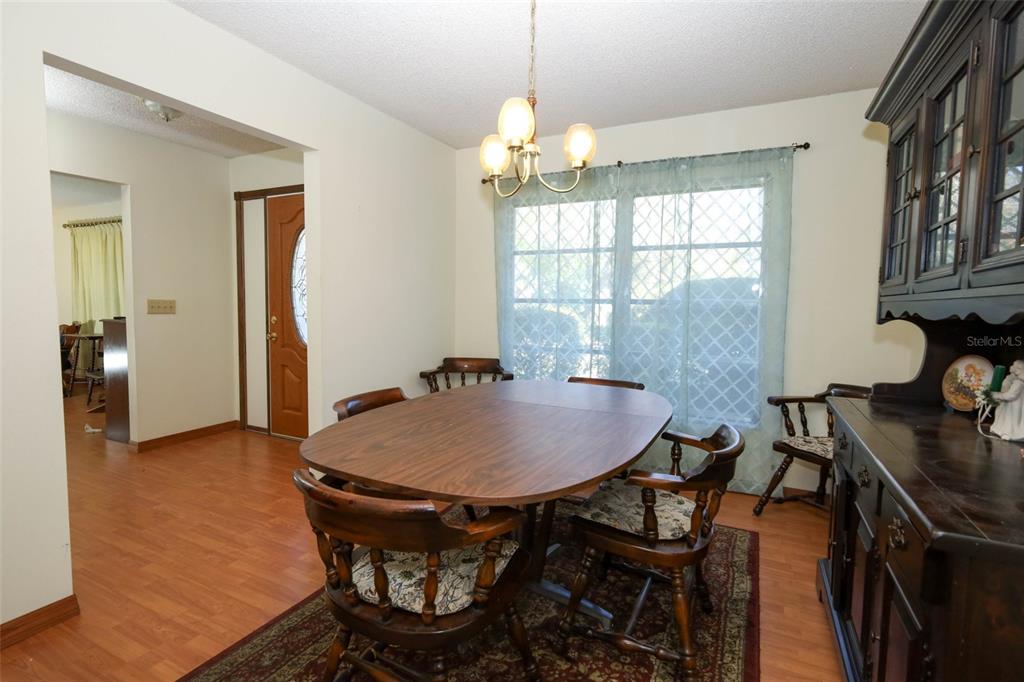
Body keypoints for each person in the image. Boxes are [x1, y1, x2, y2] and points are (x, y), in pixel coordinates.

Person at [991, 360, 1024, 441]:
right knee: (1007, 418)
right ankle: (1001, 430)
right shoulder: (1016, 380)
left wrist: (996, 395)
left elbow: (1010, 395)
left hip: (1014, 406)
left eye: (1013, 365)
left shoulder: (1019, 382)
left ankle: (1009, 433)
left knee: (1011, 420)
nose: (1011, 367)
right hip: (1013, 405)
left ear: (1018, 369)